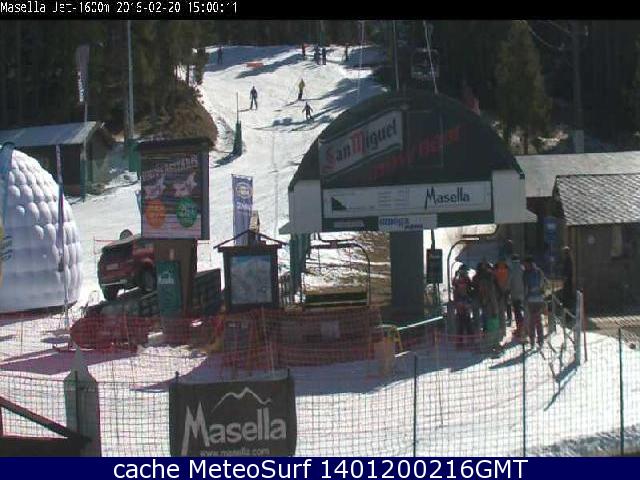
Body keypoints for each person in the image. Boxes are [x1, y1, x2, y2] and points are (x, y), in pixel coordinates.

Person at [523, 255, 546, 349]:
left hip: (531, 299)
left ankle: (533, 340)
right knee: (538, 320)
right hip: (539, 299)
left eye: (525, 264)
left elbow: (525, 287)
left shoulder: (526, 273)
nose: (525, 265)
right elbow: (542, 285)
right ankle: (540, 340)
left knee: (532, 321)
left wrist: (525, 298)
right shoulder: (539, 271)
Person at [453, 265, 474, 347]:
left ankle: (464, 342)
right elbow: (456, 287)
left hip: (463, 303)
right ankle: (463, 342)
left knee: (465, 323)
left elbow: (470, 289)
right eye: (465, 271)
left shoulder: (465, 280)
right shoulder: (461, 280)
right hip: (462, 303)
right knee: (464, 323)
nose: (466, 273)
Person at [509, 254, 525, 340]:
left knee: (517, 312)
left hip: (514, 294)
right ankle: (524, 328)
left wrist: (507, 290)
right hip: (523, 294)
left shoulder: (511, 269)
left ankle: (520, 329)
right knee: (523, 311)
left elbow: (509, 281)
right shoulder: (522, 268)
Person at [494, 257, 511, 326]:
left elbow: (494, 278)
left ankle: (501, 320)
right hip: (504, 289)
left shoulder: (496, 267)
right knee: (507, 305)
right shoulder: (507, 268)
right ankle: (507, 319)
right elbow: (509, 278)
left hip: (499, 290)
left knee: (500, 306)